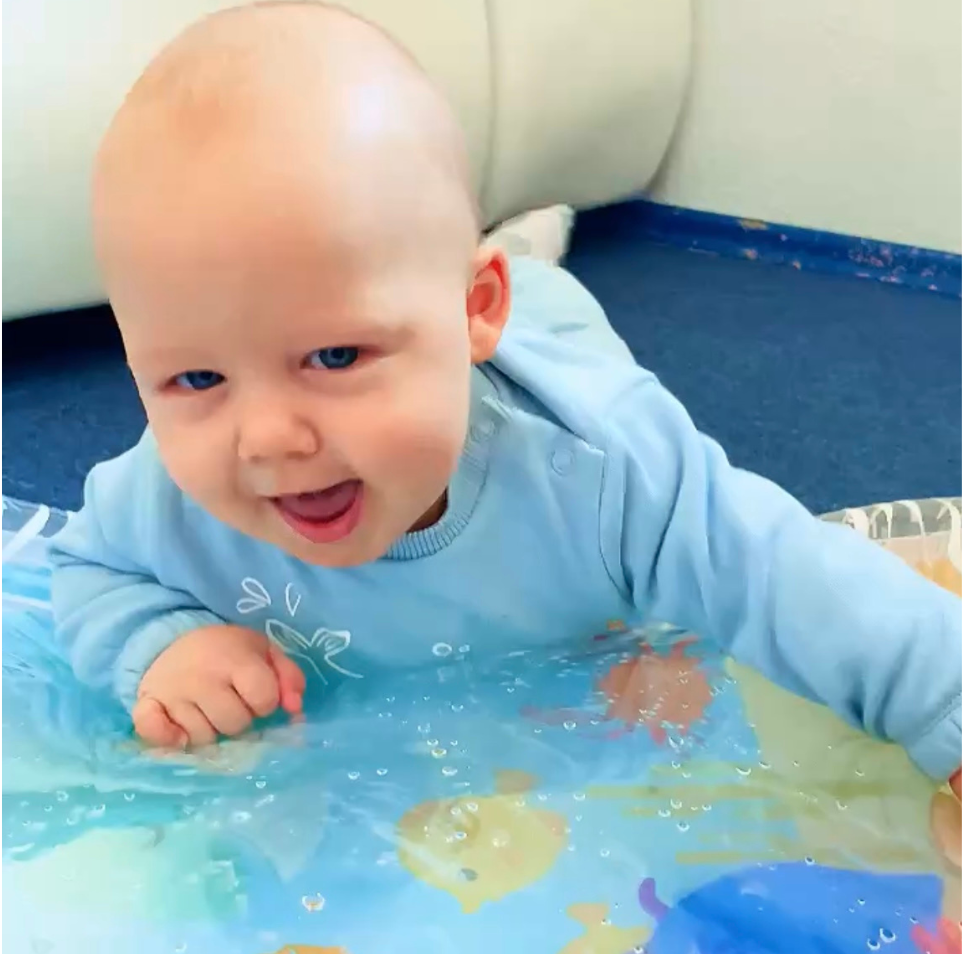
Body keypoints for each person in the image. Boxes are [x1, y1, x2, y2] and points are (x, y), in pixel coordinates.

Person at [49, 2, 961, 807]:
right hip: (468, 304)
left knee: (552, 320)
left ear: (472, 309)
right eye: (196, 379)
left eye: (334, 355)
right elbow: (89, 568)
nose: (269, 439)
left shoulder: (604, 466)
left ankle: (526, 258)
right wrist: (159, 644)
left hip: (547, 339)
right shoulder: (166, 490)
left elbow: (782, 573)